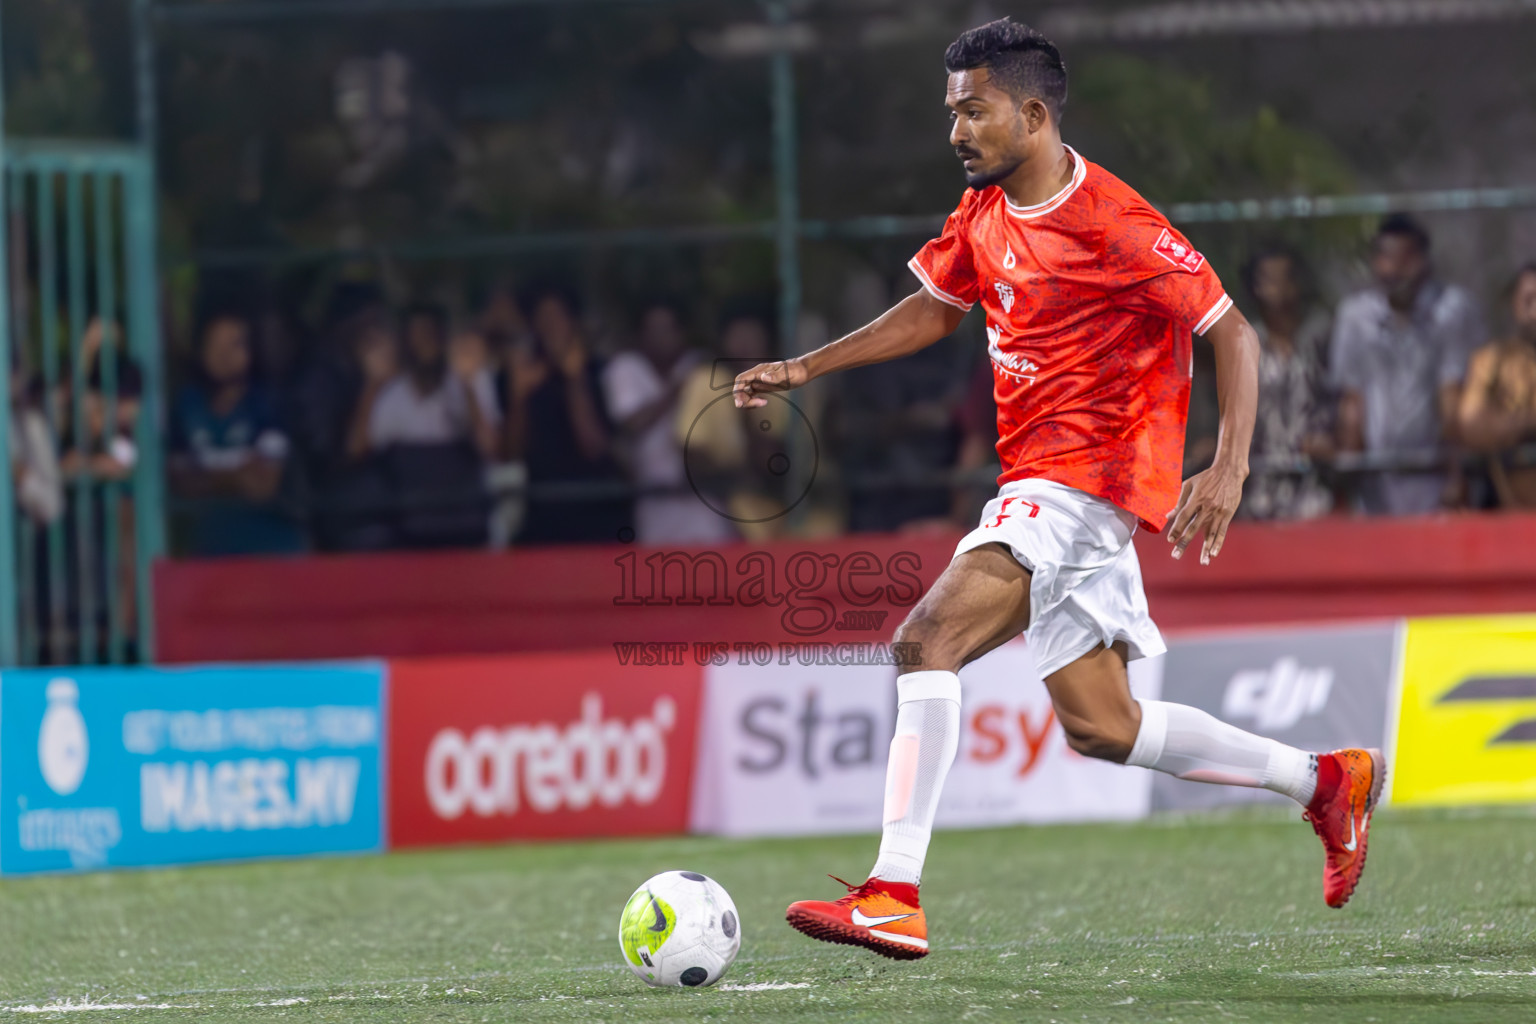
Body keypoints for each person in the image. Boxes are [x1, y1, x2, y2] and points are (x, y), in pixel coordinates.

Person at [732, 18, 1385, 961]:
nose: (956, 130)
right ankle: (1324, 781)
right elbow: (934, 307)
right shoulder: (986, 213)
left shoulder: (1116, 222)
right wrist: (806, 367)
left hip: (1082, 485)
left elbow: (1231, 331)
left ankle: (894, 890)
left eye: (973, 110)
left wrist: (1231, 463)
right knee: (1101, 726)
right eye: (951, 111)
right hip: (1043, 484)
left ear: (1032, 114)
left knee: (925, 642)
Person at [1332, 215, 1484, 515]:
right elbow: (1352, 403)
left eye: (1406, 259)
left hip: (1434, 478)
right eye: (1387, 258)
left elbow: (1453, 400)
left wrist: (1458, 477)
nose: (1395, 269)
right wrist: (1345, 487)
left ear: (1424, 262)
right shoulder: (1355, 317)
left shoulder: (1452, 310)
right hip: (1375, 482)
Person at [168, 311, 305, 556]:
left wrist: (206, 476)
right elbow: (178, 481)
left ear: (251, 350)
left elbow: (262, 486)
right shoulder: (187, 404)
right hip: (208, 551)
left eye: (234, 344)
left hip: (271, 551)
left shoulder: (267, 406)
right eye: (215, 344)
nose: (224, 354)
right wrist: (237, 475)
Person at [506, 285, 630, 544]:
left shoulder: (603, 373)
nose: (550, 326)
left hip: (597, 518)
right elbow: (510, 452)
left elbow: (593, 447)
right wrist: (518, 397)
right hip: (543, 517)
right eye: (542, 318)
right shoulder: (525, 376)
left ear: (574, 322)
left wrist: (575, 379)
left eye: (556, 317)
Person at [603, 300, 732, 545]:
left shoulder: (699, 365)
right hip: (654, 500)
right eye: (652, 330)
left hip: (702, 499)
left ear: (681, 332)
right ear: (640, 335)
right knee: (661, 577)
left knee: (713, 575)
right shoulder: (626, 368)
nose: (660, 337)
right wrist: (677, 388)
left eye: (667, 329)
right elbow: (633, 423)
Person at [1240, 244, 1335, 520]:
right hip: (1259, 480)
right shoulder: (1247, 340)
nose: (1278, 288)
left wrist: (1332, 437)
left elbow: (1340, 393)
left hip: (1313, 481)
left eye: (1285, 278)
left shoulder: (1320, 335)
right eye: (1269, 279)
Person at [1459, 263, 1536, 509]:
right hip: (1510, 513)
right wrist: (1528, 422)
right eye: (1529, 299)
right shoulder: (1492, 360)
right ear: (1513, 303)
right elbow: (1471, 425)